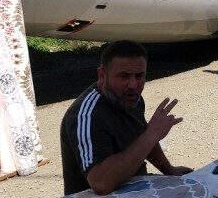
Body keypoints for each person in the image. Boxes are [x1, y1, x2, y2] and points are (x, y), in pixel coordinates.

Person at [60, 41, 192, 195]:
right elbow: (101, 183)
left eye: (139, 76)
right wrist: (151, 133)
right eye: (124, 76)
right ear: (102, 75)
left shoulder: (130, 97)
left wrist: (169, 170)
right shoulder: (86, 114)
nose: (133, 85)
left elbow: (142, 139)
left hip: (134, 186)